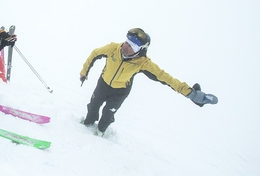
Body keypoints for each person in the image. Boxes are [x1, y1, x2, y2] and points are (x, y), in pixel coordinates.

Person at [79, 28, 218, 136]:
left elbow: (165, 78)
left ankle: (100, 132)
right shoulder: (113, 48)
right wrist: (84, 72)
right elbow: (95, 53)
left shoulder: (142, 63)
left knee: (107, 114)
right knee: (93, 107)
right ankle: (87, 125)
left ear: (140, 50)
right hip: (103, 84)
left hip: (120, 92)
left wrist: (190, 93)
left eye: (131, 46)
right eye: (127, 42)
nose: (125, 46)